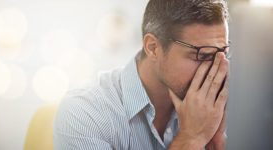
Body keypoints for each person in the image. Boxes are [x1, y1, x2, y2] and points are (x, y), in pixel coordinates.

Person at [53, 0, 230, 149]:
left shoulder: (208, 111)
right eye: (202, 55)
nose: (217, 69)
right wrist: (191, 138)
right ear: (153, 48)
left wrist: (214, 144)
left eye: (223, 53)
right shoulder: (85, 113)